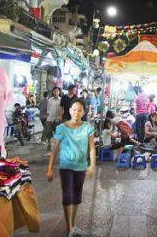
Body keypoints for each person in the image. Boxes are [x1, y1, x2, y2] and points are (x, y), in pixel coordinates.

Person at [47, 99, 96, 237]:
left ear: (84, 112)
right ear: (69, 111)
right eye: (74, 109)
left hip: (81, 166)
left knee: (77, 196)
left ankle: (73, 224)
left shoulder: (88, 128)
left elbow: (91, 148)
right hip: (66, 166)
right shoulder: (61, 128)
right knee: (67, 195)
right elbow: (55, 148)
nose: (76, 112)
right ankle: (69, 228)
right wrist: (50, 168)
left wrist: (92, 165)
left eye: (80, 110)